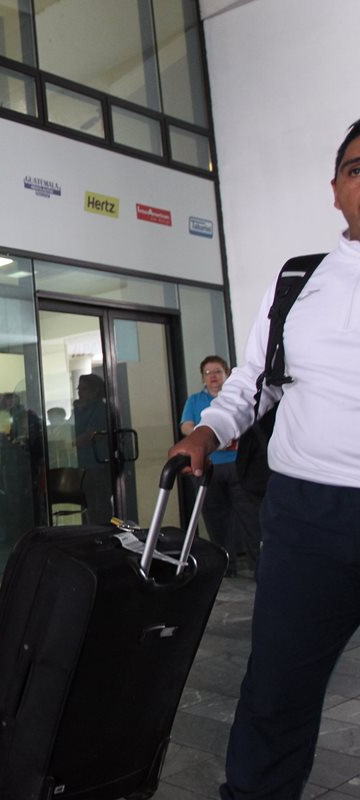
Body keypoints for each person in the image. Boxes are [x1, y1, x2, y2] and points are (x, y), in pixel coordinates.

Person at [169, 117, 360, 800]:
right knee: (277, 688)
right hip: (309, 513)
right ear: (336, 189)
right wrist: (208, 431)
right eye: (357, 169)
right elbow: (255, 381)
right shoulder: (298, 281)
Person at [179, 355, 261, 577]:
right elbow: (186, 426)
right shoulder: (195, 400)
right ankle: (226, 567)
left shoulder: (237, 398)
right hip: (210, 468)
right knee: (216, 518)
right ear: (203, 378)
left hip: (239, 465)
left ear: (227, 373)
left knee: (250, 515)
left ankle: (260, 565)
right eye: (208, 373)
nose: (213, 376)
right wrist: (208, 434)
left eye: (217, 372)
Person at [72, 373, 113, 524]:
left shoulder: (100, 409)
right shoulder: (78, 411)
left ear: (95, 390)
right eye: (79, 389)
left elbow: (93, 434)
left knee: (99, 504)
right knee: (86, 504)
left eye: (84, 389)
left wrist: (71, 442)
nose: (80, 392)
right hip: (82, 466)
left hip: (97, 465)